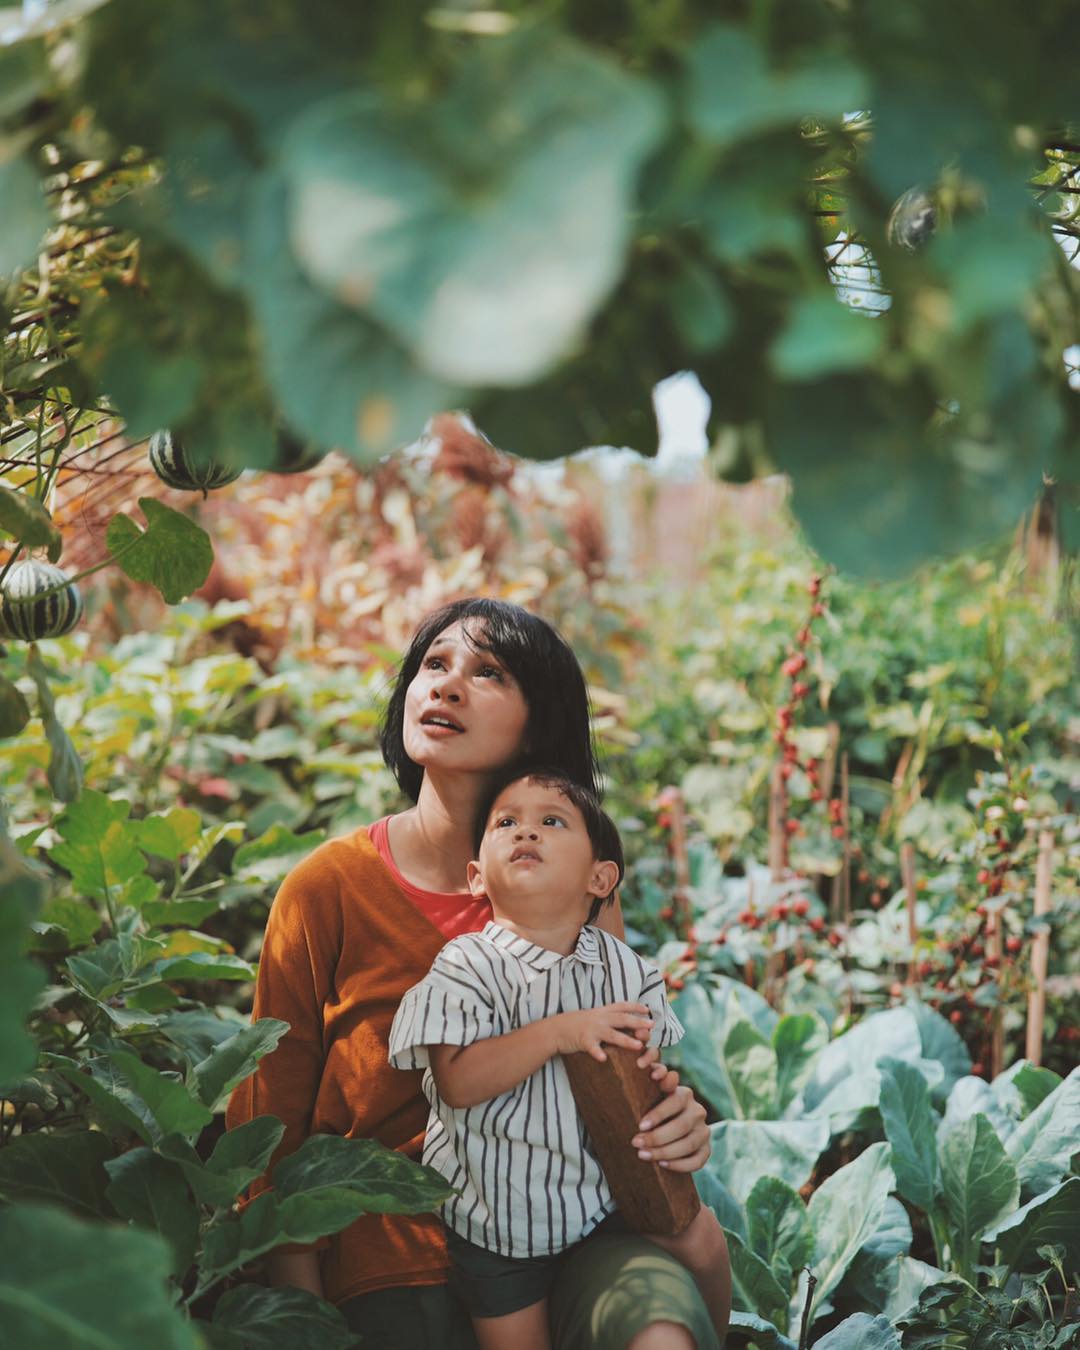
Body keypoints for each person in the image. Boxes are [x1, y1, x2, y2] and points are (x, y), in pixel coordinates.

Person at [226, 597, 721, 1349]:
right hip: (395, 1253)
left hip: (580, 1227)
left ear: (540, 724)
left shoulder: (581, 888)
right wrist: (303, 1314)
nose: (447, 685)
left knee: (660, 1332)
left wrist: (672, 1118)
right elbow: (268, 1123)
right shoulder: (325, 888)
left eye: (487, 672)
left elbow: (618, 1063)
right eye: (433, 664)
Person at [388, 767, 731, 1350]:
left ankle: (721, 1337)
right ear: (476, 878)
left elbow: (639, 1070)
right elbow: (458, 1082)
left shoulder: (621, 968)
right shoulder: (468, 965)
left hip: (602, 1202)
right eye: (506, 823)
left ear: (600, 878)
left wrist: (662, 1093)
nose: (527, 833)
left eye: (551, 821)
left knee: (707, 1241)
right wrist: (559, 1033)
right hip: (498, 1227)